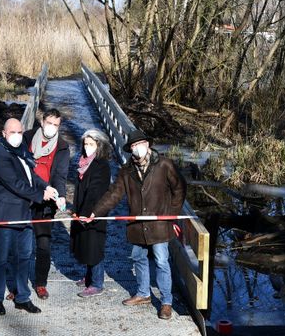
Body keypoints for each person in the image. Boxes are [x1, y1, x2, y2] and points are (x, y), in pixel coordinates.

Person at [88, 129, 186, 320]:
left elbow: (179, 188)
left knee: (161, 261)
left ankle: (166, 302)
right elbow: (114, 194)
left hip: (159, 225)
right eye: (133, 146)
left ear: (147, 145)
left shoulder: (164, 165)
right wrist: (95, 212)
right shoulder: (127, 170)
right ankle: (143, 293)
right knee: (138, 258)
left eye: (139, 144)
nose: (136, 149)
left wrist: (171, 215)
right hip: (136, 225)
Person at [0, 118, 58, 316]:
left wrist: (45, 186)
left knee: (24, 256)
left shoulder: (21, 152)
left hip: (24, 214)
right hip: (5, 215)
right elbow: (15, 183)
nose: (17, 136)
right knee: (1, 258)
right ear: (4, 134)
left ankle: (22, 298)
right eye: (12, 132)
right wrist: (40, 195)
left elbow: (30, 175)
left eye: (19, 132)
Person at [23, 108, 70, 300]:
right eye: (49, 123)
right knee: (21, 244)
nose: (52, 127)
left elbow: (60, 174)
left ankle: (40, 283)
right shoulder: (26, 138)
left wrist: (62, 195)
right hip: (24, 197)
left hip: (46, 201)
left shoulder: (62, 146)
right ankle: (18, 283)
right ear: (42, 122)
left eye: (56, 125)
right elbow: (22, 167)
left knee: (43, 244)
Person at [71, 129, 111, 297]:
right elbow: (80, 189)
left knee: (94, 247)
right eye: (86, 144)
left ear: (99, 146)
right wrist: (76, 210)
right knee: (86, 244)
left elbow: (95, 191)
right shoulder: (84, 162)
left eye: (91, 144)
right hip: (82, 211)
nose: (87, 147)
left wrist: (87, 212)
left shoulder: (101, 165)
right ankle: (89, 276)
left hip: (94, 212)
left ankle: (97, 283)